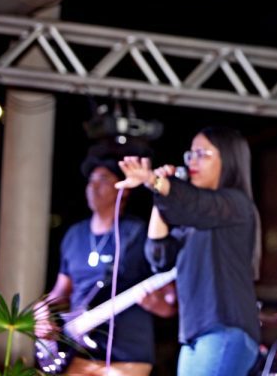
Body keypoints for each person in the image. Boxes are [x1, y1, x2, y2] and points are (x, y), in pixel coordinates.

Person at [116, 126, 262, 376]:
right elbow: (159, 256)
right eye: (190, 154)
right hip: (195, 335)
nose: (193, 161)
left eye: (203, 154)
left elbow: (195, 204)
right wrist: (157, 191)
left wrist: (156, 181)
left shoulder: (236, 205)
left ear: (228, 159)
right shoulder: (192, 219)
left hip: (225, 330)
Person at [36, 144, 177, 376]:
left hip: (128, 355)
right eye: (91, 179)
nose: (93, 186)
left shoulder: (138, 233)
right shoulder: (74, 235)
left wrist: (159, 305)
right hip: (76, 351)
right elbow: (62, 291)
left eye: (103, 178)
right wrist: (41, 311)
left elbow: (170, 302)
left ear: (123, 188)